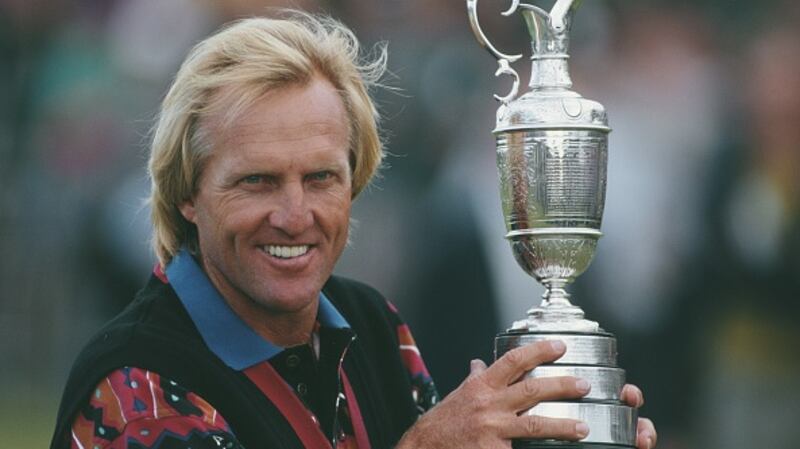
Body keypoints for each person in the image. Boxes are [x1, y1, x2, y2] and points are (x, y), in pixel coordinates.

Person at [50, 11, 656, 449]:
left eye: (320, 179)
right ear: (186, 193)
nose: (294, 215)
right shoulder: (139, 386)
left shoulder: (375, 328)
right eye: (257, 181)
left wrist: (561, 436)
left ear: (356, 182)